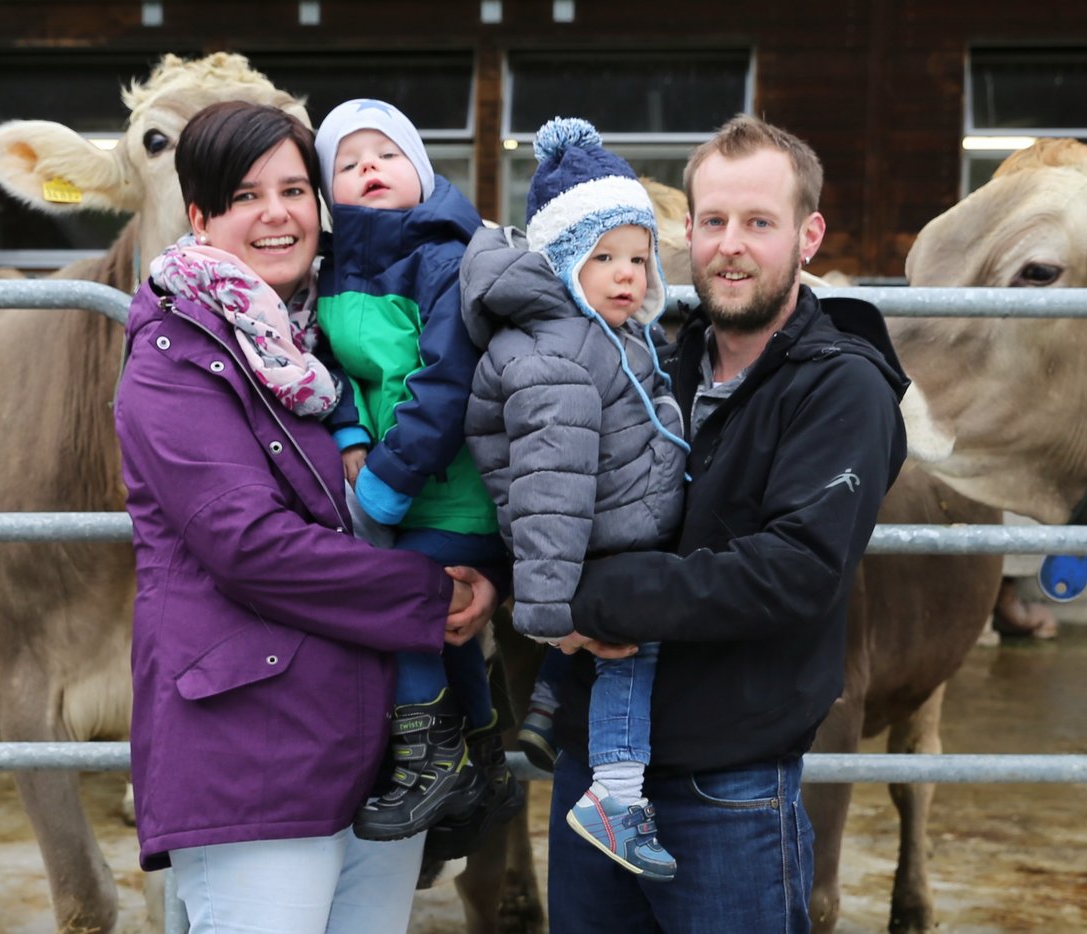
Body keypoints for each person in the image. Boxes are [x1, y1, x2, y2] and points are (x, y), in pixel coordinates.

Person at [113, 100, 498, 933]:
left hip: (368, 751)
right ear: (200, 216)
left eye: (294, 188)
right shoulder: (176, 358)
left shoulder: (327, 343)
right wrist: (432, 594)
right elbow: (248, 546)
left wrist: (478, 574)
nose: (277, 213)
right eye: (246, 196)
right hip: (254, 755)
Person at [546, 114, 910, 932]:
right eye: (713, 221)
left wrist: (586, 600)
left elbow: (793, 570)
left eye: (758, 223)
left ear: (808, 235)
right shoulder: (649, 362)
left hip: (727, 785)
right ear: (688, 230)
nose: (730, 246)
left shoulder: (839, 391)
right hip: (593, 775)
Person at [462, 117, 689, 881]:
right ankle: (617, 797)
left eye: (638, 258)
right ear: (563, 262)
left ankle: (550, 708)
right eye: (603, 259)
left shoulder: (605, 334)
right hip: (599, 550)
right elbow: (549, 493)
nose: (627, 275)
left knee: (614, 653)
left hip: (609, 532)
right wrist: (554, 622)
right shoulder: (558, 354)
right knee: (631, 654)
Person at [310, 99, 521, 847]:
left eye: (388, 154)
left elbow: (446, 378)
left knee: (398, 605)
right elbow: (326, 364)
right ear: (327, 191)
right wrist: (346, 428)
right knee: (449, 632)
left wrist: (384, 486)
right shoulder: (331, 269)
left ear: (423, 172)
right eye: (349, 160)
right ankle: (483, 754)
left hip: (449, 491)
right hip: (397, 479)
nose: (370, 168)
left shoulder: (442, 256)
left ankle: (432, 757)